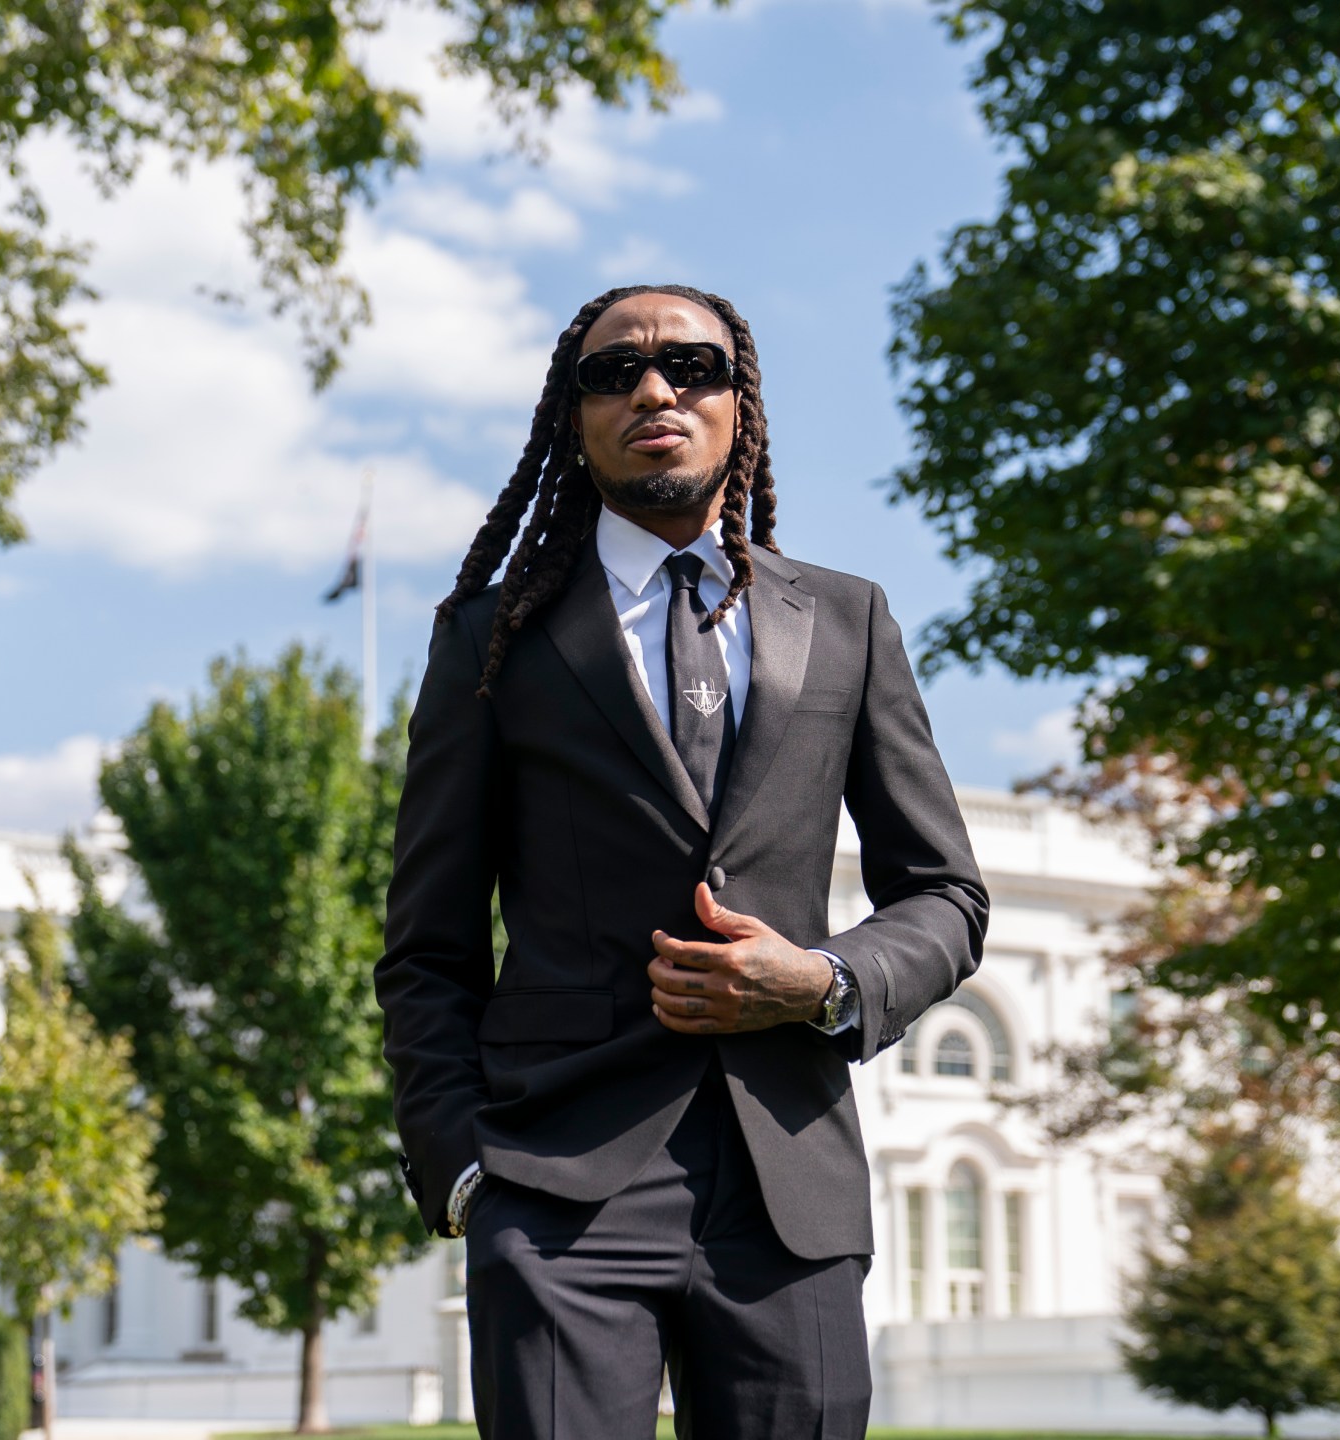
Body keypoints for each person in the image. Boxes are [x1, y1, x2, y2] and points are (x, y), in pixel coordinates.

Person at [376, 283, 990, 1438]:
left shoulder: (848, 621)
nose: (655, 390)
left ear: (737, 402)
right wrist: (464, 1168)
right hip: (555, 1186)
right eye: (613, 375)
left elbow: (945, 897)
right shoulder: (489, 638)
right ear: (572, 421)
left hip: (790, 1192)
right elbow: (428, 945)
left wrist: (824, 981)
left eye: (691, 367)